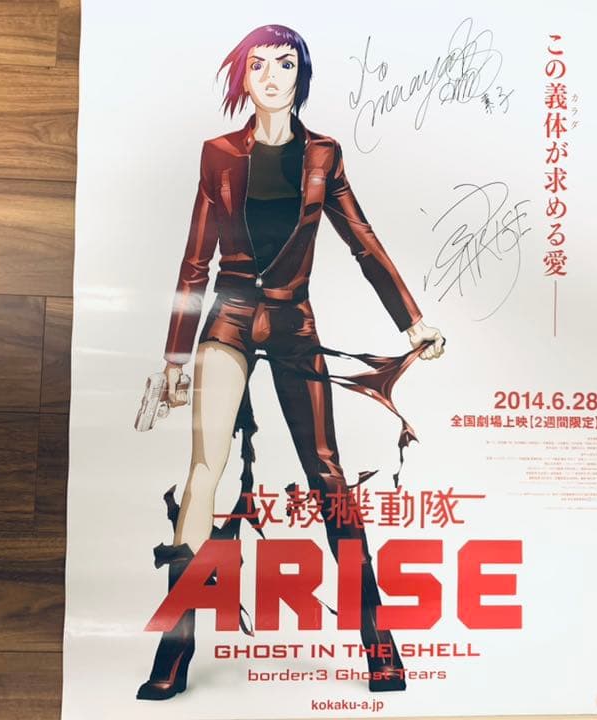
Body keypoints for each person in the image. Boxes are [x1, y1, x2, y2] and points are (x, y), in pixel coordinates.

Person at [136, 24, 445, 701]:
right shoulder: (219, 154)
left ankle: (377, 640)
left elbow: (362, 240)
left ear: (300, 75)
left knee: (325, 469)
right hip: (229, 316)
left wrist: (412, 321)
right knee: (203, 471)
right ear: (242, 78)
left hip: (293, 320)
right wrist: (175, 357)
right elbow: (195, 260)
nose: (272, 75)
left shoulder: (323, 155)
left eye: (285, 63)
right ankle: (175, 648)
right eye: (258, 65)